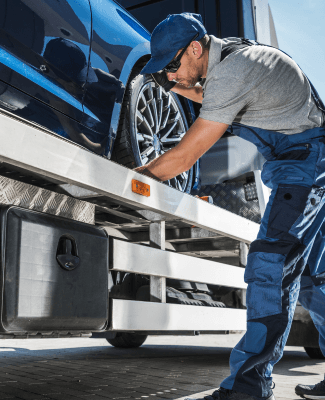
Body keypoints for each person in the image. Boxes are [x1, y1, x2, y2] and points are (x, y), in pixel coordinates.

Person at [137, 12, 325, 400]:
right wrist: (173, 82)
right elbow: (209, 96)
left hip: (309, 168)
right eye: (164, 73)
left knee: (270, 265)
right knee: (311, 279)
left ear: (194, 48)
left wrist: (128, 176)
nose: (170, 77)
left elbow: (182, 159)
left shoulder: (235, 71)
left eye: (172, 66)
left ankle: (249, 387)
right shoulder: (234, 58)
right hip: (308, 162)